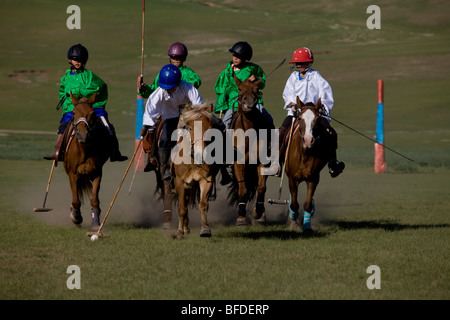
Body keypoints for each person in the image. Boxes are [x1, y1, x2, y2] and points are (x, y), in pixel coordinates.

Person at [43, 44, 128, 162]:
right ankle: (58, 151)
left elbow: (102, 87)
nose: (77, 62)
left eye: (80, 60)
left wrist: (84, 96)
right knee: (62, 127)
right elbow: (62, 91)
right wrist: (67, 103)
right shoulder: (65, 78)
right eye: (75, 59)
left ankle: (115, 152)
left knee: (107, 126)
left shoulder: (90, 76)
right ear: (69, 60)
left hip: (92, 107)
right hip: (72, 108)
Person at [278, 47, 345, 178]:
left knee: (331, 133)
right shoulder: (292, 78)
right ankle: (276, 163)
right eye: (296, 63)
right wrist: (292, 104)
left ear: (309, 63)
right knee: (281, 132)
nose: (298, 65)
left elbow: (325, 93)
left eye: (301, 62)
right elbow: (288, 94)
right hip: (296, 114)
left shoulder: (316, 76)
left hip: (314, 114)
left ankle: (332, 163)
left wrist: (322, 106)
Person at [214, 41, 274, 130]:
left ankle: (271, 142)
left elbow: (262, 82)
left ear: (245, 58)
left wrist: (256, 79)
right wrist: (222, 105)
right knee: (225, 123)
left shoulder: (253, 68)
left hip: (253, 101)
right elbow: (222, 89)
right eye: (234, 55)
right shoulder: (227, 72)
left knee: (268, 118)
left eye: (238, 56)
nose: (235, 58)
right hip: (234, 103)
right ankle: (224, 143)